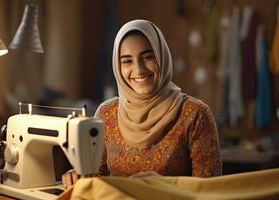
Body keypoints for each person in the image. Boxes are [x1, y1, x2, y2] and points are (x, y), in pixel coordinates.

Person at [63, 19, 222, 189]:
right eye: (127, 61)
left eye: (148, 57)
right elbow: (95, 180)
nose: (138, 70)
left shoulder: (194, 114)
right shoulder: (106, 113)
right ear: (118, 66)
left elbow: (209, 190)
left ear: (161, 56)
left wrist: (165, 186)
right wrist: (77, 176)